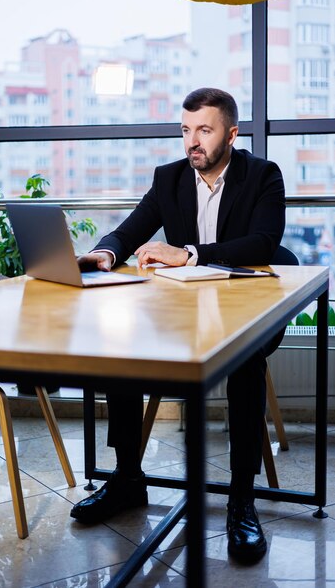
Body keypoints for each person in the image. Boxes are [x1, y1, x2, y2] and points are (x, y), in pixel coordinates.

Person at [70, 87, 285, 564]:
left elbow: (264, 244)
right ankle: (128, 479)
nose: (193, 142)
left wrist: (187, 253)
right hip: (185, 315)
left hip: (248, 309)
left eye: (204, 130)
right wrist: (105, 252)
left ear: (232, 133)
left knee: (244, 359)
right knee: (121, 347)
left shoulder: (263, 175)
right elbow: (131, 228)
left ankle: (241, 500)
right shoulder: (169, 178)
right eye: (186, 131)